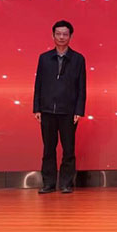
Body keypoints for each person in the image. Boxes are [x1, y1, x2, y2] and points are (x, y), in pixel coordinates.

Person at [32, 20, 87, 194]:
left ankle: (66, 183)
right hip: (47, 110)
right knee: (48, 149)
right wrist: (37, 107)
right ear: (53, 35)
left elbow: (82, 87)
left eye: (65, 34)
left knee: (68, 149)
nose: (61, 37)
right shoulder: (44, 58)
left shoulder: (78, 59)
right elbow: (38, 84)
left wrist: (79, 110)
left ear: (70, 36)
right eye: (58, 34)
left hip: (69, 112)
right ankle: (48, 183)